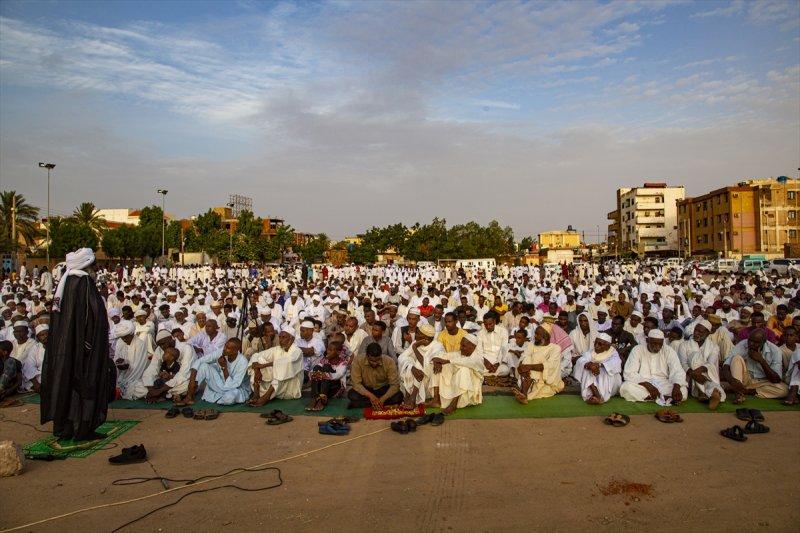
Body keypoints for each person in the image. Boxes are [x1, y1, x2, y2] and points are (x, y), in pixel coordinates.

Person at [41, 248, 115, 440]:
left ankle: (66, 427)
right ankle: (83, 428)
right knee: (86, 385)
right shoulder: (84, 283)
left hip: (67, 348)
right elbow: (92, 316)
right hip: (85, 348)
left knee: (67, 383)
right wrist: (89, 344)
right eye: (94, 264)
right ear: (87, 265)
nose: (96, 268)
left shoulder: (67, 284)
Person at [620, 329, 687, 405]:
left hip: (663, 383)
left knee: (683, 390)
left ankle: (652, 397)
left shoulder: (668, 351)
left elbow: (677, 370)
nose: (657, 346)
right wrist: (647, 385)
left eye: (660, 344)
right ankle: (664, 398)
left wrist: (676, 386)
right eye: (654, 343)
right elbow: (630, 372)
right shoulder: (638, 349)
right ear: (647, 340)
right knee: (626, 387)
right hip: (643, 382)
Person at [722, 329, 789, 404]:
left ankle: (745, 391)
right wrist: (732, 380)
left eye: (756, 342)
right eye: (750, 340)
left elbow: (776, 379)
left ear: (764, 342)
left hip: (764, 381)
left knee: (784, 390)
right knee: (736, 358)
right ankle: (738, 393)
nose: (751, 344)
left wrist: (761, 361)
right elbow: (726, 365)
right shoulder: (743, 344)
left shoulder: (775, 350)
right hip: (745, 379)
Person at [428, 333, 485, 414]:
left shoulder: (477, 358)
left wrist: (446, 361)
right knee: (438, 367)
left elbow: (466, 362)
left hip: (469, 391)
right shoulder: (459, 353)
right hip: (455, 385)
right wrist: (437, 361)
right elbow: (441, 356)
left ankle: (453, 405)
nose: (461, 348)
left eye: (463, 346)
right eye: (461, 345)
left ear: (473, 347)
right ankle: (436, 400)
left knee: (464, 370)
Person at [247, 326, 303, 406]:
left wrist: (263, 366)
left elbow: (288, 362)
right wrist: (257, 370)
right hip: (277, 385)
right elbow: (256, 355)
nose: (280, 340)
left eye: (283, 337)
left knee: (282, 367)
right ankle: (256, 394)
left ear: (292, 339)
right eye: (279, 337)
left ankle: (266, 397)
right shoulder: (277, 349)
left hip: (290, 388)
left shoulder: (297, 351)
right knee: (258, 359)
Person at [185, 338, 250, 405]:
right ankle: (189, 396)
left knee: (230, 397)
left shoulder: (243, 362)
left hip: (236, 389)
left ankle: (219, 397)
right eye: (225, 345)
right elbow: (201, 360)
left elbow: (233, 385)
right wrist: (192, 380)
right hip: (220, 383)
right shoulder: (222, 351)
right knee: (203, 366)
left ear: (236, 351)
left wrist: (224, 367)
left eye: (228, 348)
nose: (224, 349)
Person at [677, 320, 724, 410]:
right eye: (695, 330)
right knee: (695, 357)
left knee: (706, 374)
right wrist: (694, 374)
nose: (696, 333)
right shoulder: (684, 345)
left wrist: (697, 372)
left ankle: (708, 393)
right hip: (689, 377)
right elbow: (683, 364)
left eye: (700, 332)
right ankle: (707, 392)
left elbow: (710, 364)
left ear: (707, 333)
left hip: (706, 375)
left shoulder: (714, 346)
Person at [513, 323, 564, 404]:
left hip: (545, 381)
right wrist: (523, 367)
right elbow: (523, 358)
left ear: (546, 336)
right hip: (527, 377)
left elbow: (550, 366)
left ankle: (524, 392)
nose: (535, 336)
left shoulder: (555, 348)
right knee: (526, 358)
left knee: (537, 358)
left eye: (537, 334)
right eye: (535, 334)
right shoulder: (531, 345)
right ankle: (524, 392)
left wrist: (529, 367)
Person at [398, 323, 445, 409]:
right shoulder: (415, 342)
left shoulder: (437, 346)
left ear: (426, 337)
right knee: (409, 363)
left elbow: (426, 363)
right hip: (418, 376)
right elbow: (401, 357)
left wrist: (415, 348)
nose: (416, 334)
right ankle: (409, 396)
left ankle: (412, 398)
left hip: (430, 380)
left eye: (419, 333)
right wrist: (411, 368)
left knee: (419, 364)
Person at [348, 342, 403, 408]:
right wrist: (371, 396)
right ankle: (378, 404)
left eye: (377, 360)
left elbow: (394, 385)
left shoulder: (389, 362)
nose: (374, 363)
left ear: (381, 355)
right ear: (367, 356)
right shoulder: (358, 360)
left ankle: (366, 404)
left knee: (399, 396)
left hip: (383, 389)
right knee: (352, 394)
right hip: (366, 390)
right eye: (372, 361)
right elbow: (356, 384)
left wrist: (382, 399)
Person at [572, 332, 622, 404]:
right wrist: (589, 365)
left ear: (607, 346)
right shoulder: (591, 352)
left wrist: (599, 365)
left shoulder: (613, 353)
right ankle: (597, 396)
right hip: (594, 376)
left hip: (611, 380)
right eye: (595, 343)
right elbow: (581, 360)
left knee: (602, 372)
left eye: (600, 344)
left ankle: (600, 397)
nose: (596, 346)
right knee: (587, 369)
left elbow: (615, 364)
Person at [306, 341, 347, 411]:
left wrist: (323, 375)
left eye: (331, 350)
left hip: (335, 389)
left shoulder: (343, 362)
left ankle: (322, 400)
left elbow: (338, 375)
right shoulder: (324, 360)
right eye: (328, 349)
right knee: (317, 368)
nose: (328, 352)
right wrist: (314, 374)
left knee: (326, 367)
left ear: (338, 352)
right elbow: (313, 371)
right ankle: (315, 397)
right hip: (324, 386)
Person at [113, 320, 150, 400]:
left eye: (126, 337)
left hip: (137, 377)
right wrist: (118, 363)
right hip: (121, 377)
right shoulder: (120, 342)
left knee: (142, 389)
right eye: (122, 337)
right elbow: (116, 359)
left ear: (132, 334)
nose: (124, 339)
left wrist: (126, 381)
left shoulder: (140, 344)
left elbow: (138, 367)